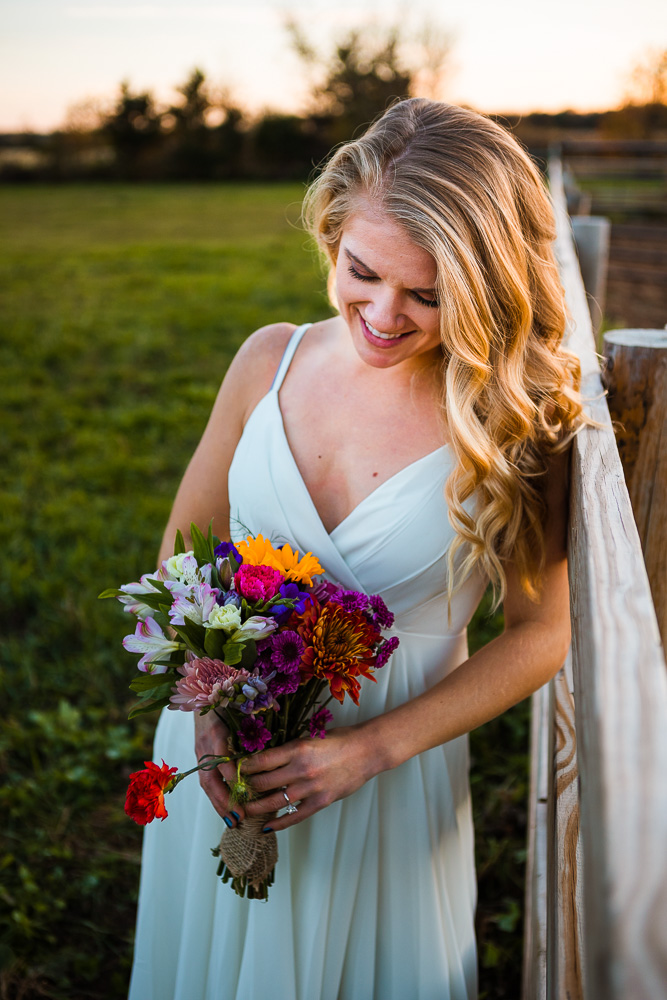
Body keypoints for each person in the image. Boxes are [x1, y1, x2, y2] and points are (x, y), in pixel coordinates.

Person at [128, 99, 583, 1000]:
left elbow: (540, 633)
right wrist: (205, 695)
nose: (381, 313)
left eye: (427, 294)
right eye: (360, 271)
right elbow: (186, 544)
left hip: (386, 780)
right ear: (333, 232)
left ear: (488, 286)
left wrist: (370, 750)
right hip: (226, 752)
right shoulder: (271, 359)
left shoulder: (510, 423)